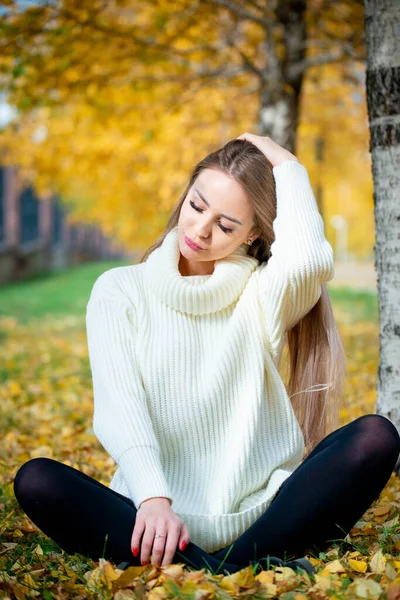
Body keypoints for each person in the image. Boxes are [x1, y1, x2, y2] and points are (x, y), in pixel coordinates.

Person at [13, 134, 400, 576]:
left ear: (254, 233)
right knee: (38, 480)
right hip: (157, 521)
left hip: (266, 515)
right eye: (196, 206)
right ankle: (238, 570)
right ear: (186, 195)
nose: (200, 230)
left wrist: (288, 165)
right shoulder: (120, 290)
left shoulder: (263, 292)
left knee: (375, 437)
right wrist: (154, 500)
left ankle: (208, 569)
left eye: (226, 225)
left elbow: (309, 260)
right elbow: (121, 408)